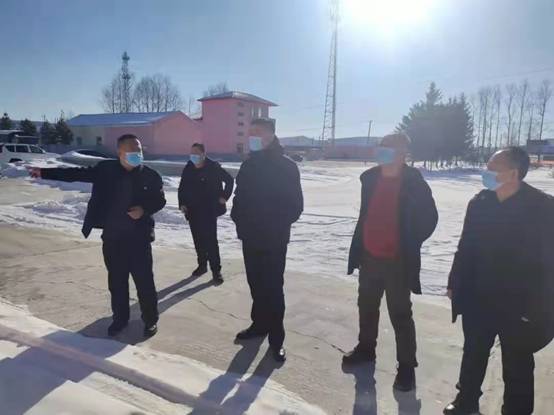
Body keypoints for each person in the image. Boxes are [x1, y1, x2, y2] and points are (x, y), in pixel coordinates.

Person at [444, 147, 554, 415]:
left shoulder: (543, 208)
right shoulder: (480, 202)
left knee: (517, 362)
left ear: (513, 173)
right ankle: (466, 402)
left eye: (493, 168)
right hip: (478, 296)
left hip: (519, 303)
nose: (487, 172)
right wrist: (455, 282)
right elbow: (465, 246)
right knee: (473, 353)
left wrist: (539, 307)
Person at [29, 134, 166, 338]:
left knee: (145, 282)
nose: (138, 154)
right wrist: (43, 172)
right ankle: (120, 319)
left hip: (139, 239)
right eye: (132, 150)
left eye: (139, 150)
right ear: (120, 152)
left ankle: (150, 320)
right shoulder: (106, 170)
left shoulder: (151, 175)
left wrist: (144, 209)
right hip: (112, 237)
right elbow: (76, 173)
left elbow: (160, 200)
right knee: (117, 282)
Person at [342, 133, 438, 392]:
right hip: (369, 257)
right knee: (366, 306)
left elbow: (429, 219)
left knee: (400, 314)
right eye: (381, 147)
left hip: (397, 261)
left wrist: (407, 241)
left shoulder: (414, 182)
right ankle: (366, 349)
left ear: (402, 153)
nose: (382, 152)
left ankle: (406, 367)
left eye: (389, 148)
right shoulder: (370, 178)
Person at [231, 118, 303, 363]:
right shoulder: (248, 164)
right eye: (250, 133)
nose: (253, 137)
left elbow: (295, 206)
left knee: (273, 288)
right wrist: (239, 219)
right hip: (250, 237)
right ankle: (259, 325)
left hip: (273, 239)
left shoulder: (286, 166)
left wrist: (271, 224)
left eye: (258, 132)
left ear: (272, 134)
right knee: (256, 284)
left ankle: (276, 340)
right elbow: (239, 197)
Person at [178, 143, 234, 284]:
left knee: (210, 241)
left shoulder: (213, 167)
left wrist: (224, 196)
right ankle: (202, 265)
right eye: (191, 153)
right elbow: (182, 187)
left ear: (203, 154)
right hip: (192, 209)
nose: (193, 156)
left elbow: (229, 180)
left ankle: (216, 271)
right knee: (198, 240)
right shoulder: (189, 167)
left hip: (209, 209)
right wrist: (182, 203)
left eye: (196, 153)